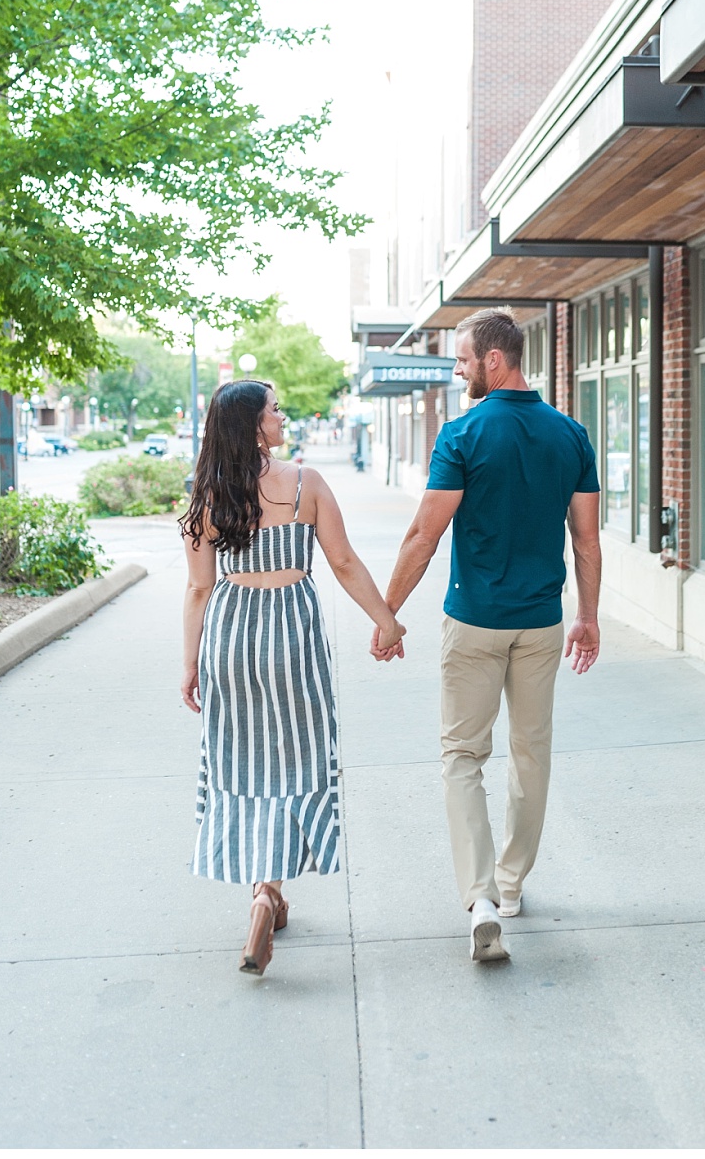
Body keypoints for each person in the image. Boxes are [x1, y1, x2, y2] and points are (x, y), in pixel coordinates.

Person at [371, 307, 601, 963]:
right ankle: (512, 883)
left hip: (474, 623)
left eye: (464, 359)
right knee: (532, 754)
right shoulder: (571, 435)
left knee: (461, 758)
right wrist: (587, 613)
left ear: (493, 360)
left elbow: (424, 533)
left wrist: (388, 614)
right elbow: (586, 539)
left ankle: (480, 897)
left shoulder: (463, 434)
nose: (459, 370)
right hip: (541, 623)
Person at [180, 380, 405, 976]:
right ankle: (269, 891)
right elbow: (343, 562)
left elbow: (200, 587)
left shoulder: (207, 494)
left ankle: (262, 890)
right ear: (255, 426)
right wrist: (387, 622)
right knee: (296, 759)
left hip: (231, 638)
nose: (282, 417)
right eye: (274, 410)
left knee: (242, 761)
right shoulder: (306, 484)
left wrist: (190, 663)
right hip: (292, 636)